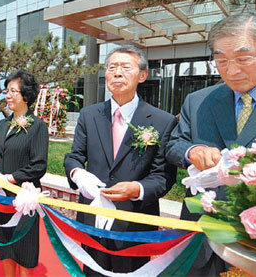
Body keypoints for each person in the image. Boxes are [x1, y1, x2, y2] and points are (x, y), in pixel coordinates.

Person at [64, 45, 177, 275]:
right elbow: (74, 157)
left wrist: (137, 188)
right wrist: (78, 174)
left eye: (125, 67)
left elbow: (163, 176)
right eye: (111, 67)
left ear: (142, 75)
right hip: (93, 219)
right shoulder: (89, 115)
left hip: (134, 224)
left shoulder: (162, 121)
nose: (117, 73)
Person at [166, 13, 256, 276]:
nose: (231, 70)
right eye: (221, 61)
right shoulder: (198, 101)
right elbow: (174, 144)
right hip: (201, 233)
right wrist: (191, 151)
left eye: (243, 59)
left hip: (255, 246)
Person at [0, 70, 48, 276]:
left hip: (24, 198)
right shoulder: (2, 125)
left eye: (13, 91)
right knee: (5, 247)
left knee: (24, 249)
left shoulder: (37, 126)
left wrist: (9, 178)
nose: (8, 96)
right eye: (7, 91)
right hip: (1, 198)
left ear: (26, 95)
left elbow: (39, 165)